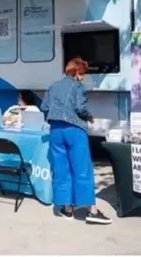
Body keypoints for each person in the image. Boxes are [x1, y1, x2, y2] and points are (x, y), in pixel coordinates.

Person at [41, 57, 111, 225]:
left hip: (56, 131)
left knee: (62, 170)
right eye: (83, 74)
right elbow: (80, 108)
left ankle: (67, 209)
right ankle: (91, 211)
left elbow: (44, 107)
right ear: (78, 72)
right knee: (82, 170)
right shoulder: (78, 86)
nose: (83, 77)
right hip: (74, 130)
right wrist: (90, 117)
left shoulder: (53, 85)